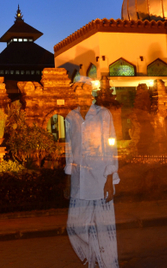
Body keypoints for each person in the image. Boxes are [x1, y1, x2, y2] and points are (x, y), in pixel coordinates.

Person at [64, 80, 120, 268]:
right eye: (78, 93)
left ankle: (109, 264)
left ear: (91, 94)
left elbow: (111, 146)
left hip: (101, 178)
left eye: (85, 92)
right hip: (79, 181)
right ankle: (92, 255)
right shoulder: (71, 117)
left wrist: (110, 179)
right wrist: (68, 179)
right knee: (74, 226)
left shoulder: (103, 114)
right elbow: (69, 149)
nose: (81, 96)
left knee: (104, 228)